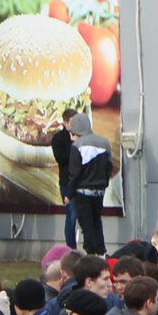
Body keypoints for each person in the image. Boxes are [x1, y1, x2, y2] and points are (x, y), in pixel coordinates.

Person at [52, 107, 114, 255]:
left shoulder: (77, 146)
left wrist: (69, 194)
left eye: (72, 134)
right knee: (97, 222)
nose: (71, 137)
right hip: (99, 191)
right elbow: (109, 166)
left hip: (82, 192)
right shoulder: (104, 142)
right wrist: (104, 183)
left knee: (86, 225)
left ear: (76, 132)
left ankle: (91, 256)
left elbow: (75, 173)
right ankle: (101, 254)